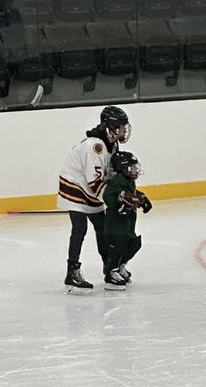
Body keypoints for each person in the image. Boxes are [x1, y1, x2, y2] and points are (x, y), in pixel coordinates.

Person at [57, 105, 132, 293]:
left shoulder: (112, 143)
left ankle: (109, 269)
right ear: (110, 127)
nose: (124, 130)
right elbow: (95, 183)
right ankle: (71, 273)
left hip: (91, 189)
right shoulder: (94, 146)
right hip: (75, 188)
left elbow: (109, 176)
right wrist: (116, 199)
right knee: (79, 228)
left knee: (104, 228)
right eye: (121, 126)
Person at [102, 151, 152, 290]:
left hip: (127, 224)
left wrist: (143, 199)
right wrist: (119, 201)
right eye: (132, 167)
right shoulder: (116, 180)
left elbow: (133, 194)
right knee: (117, 247)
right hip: (116, 225)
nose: (136, 170)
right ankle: (111, 273)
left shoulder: (129, 181)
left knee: (133, 243)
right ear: (123, 168)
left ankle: (120, 265)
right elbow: (108, 196)